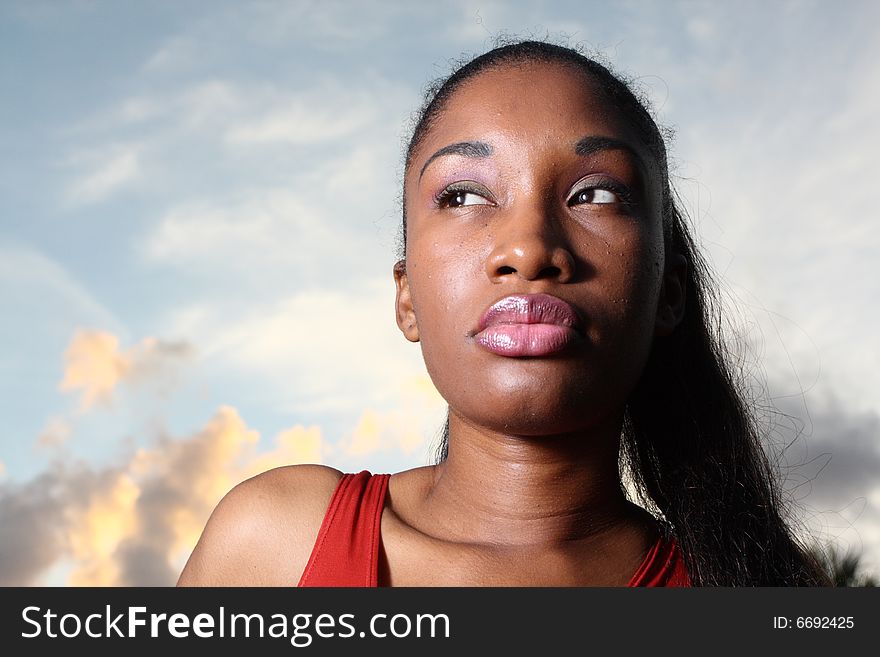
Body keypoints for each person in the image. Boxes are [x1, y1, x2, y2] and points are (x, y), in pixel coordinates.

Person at [177, 40, 829, 587]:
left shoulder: (767, 593)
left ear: (670, 293)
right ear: (406, 299)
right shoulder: (271, 545)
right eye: (462, 195)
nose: (529, 248)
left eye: (595, 193)